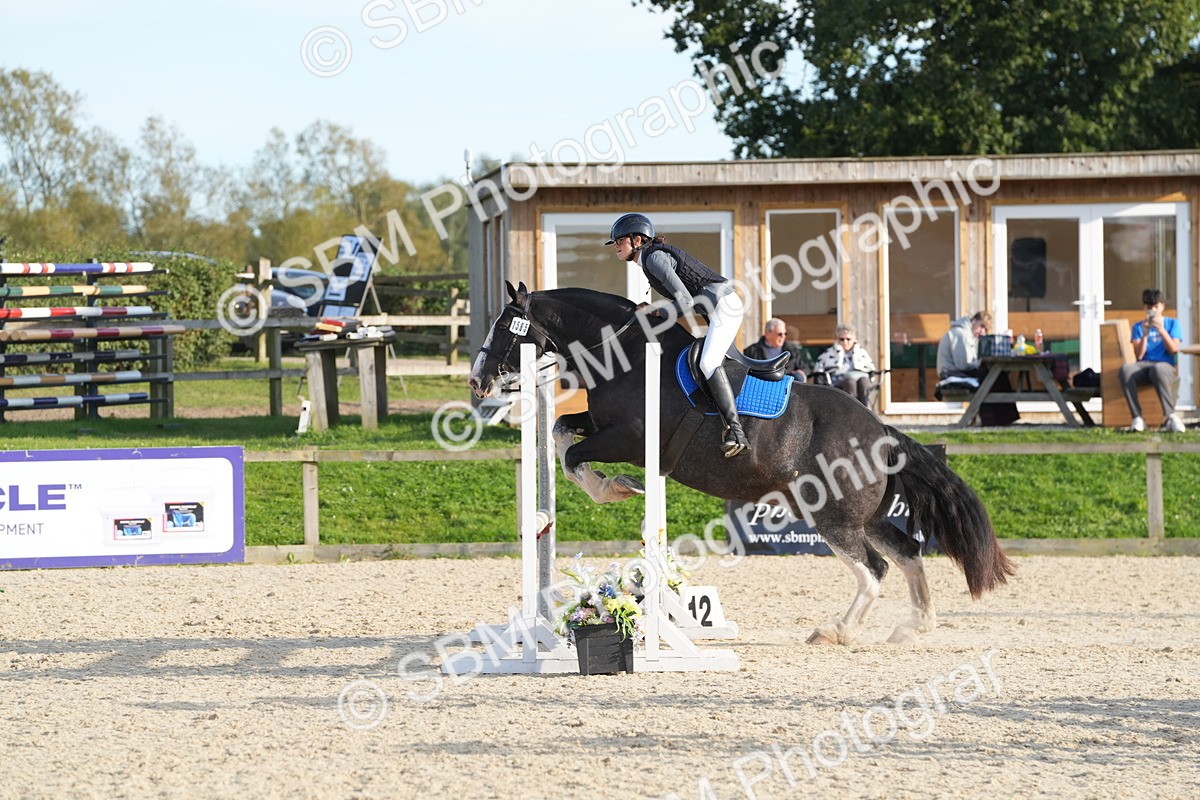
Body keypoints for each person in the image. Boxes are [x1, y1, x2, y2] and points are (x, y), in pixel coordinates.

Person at [606, 212, 749, 457]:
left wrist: (656, 310)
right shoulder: (650, 260)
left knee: (708, 362)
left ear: (637, 240)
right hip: (714, 305)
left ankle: (737, 432)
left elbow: (685, 301)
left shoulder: (655, 259)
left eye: (620, 241)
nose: (616, 245)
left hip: (725, 305)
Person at [936, 311, 1020, 426]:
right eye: (981, 326)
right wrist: (981, 362)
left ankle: (1000, 419)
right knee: (994, 377)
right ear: (974, 321)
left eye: (985, 329)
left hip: (957, 373)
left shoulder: (966, 334)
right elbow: (964, 365)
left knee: (997, 376)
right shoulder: (960, 334)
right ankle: (997, 419)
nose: (982, 331)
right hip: (952, 375)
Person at [1121, 288, 1184, 432]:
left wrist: (1161, 330)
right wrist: (1144, 335)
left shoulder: (1172, 324)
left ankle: (1170, 416)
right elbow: (1139, 356)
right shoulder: (1138, 326)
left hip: (1165, 366)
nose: (1153, 310)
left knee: (1158, 369)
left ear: (1162, 306)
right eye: (1149, 307)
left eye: (1156, 307)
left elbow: (1174, 349)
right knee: (1125, 370)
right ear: (1145, 308)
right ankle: (1137, 418)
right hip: (1144, 365)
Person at [814, 324, 876, 405]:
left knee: (864, 381)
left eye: (848, 339)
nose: (845, 342)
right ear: (837, 339)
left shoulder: (862, 352)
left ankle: (865, 411)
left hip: (860, 379)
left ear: (854, 339)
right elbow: (819, 370)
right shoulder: (829, 353)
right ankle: (852, 411)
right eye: (841, 339)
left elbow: (871, 369)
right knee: (850, 382)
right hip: (838, 382)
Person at [744, 318, 808, 382]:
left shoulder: (792, 349)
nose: (783, 336)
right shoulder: (751, 351)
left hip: (786, 383)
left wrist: (802, 372)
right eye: (780, 334)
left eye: (785, 333)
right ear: (768, 334)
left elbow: (804, 367)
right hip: (762, 384)